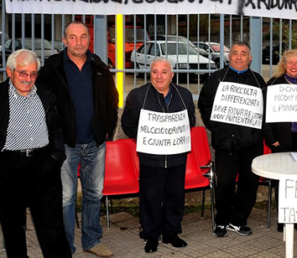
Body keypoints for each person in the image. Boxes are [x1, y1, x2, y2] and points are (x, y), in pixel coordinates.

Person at [37, 21, 118, 257]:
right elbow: (41, 103)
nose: (79, 42)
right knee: (66, 198)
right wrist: (54, 136)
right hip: (66, 146)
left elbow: (112, 101)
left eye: (83, 37)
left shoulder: (100, 67)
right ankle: (66, 246)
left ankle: (92, 240)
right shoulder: (52, 68)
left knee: (94, 194)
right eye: (73, 37)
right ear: (64, 41)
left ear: (89, 39)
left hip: (96, 143)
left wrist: (106, 131)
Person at [0, 49, 71, 258]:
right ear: (10, 71)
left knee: (52, 224)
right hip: (9, 167)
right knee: (12, 225)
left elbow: (57, 127)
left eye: (33, 74)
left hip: (44, 165)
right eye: (23, 73)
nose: (28, 79)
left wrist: (56, 157)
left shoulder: (46, 94)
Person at [121, 57, 195, 253]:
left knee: (175, 196)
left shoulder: (185, 95)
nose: (159, 76)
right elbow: (127, 124)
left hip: (177, 158)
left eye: (164, 72)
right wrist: (146, 138)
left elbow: (191, 121)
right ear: (150, 73)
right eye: (155, 71)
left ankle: (171, 232)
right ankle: (151, 235)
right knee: (150, 197)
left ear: (172, 75)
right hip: (150, 158)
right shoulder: (137, 96)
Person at [198, 41, 266, 238]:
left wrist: (256, 133)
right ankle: (222, 220)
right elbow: (204, 103)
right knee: (224, 183)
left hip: (251, 142)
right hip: (225, 141)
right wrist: (215, 126)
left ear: (249, 58)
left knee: (249, 183)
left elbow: (264, 110)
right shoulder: (216, 78)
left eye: (243, 53)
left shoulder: (258, 80)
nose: (238, 56)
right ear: (229, 57)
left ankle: (238, 220)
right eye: (235, 53)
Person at [263, 49, 297, 232]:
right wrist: (271, 139)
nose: (294, 66)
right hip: (281, 140)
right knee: (282, 182)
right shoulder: (273, 84)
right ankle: (284, 219)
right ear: (283, 65)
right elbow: (265, 114)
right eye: (290, 62)